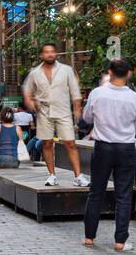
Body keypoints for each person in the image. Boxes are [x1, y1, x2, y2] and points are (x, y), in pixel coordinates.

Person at [81, 58, 136, 252]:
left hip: (103, 147)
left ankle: (89, 237)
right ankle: (120, 241)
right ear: (129, 73)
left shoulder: (97, 94)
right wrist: (127, 125)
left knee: (96, 192)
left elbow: (86, 118)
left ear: (109, 72)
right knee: (124, 195)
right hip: (126, 148)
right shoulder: (134, 98)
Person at [22, 43, 87, 187]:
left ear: (56, 54)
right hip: (44, 112)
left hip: (63, 110)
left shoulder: (66, 70)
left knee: (70, 143)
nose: (50, 54)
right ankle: (52, 175)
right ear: (41, 55)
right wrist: (29, 101)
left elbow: (75, 90)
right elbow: (27, 89)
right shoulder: (35, 73)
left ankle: (78, 176)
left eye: (52, 52)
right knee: (47, 143)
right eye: (46, 52)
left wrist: (77, 108)